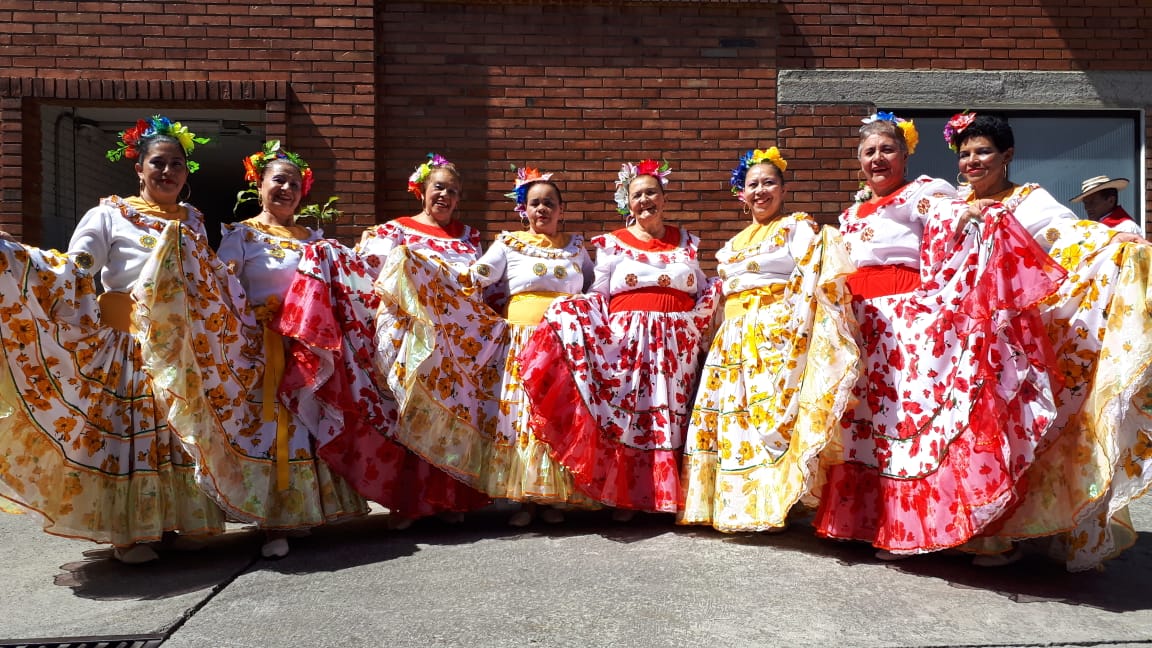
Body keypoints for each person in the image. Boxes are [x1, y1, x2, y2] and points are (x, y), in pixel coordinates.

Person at [813, 112, 1067, 564]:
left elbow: (945, 212)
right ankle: (877, 524)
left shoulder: (924, 192)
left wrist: (966, 211)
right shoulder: (849, 214)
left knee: (913, 428)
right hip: (865, 332)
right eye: (869, 152)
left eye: (887, 149)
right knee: (869, 431)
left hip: (911, 330)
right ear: (858, 162)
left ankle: (940, 529)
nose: (878, 158)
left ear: (905, 155)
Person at [0, 115, 234, 564]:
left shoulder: (195, 220)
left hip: (180, 344)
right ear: (139, 169)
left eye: (176, 165)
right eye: (158, 164)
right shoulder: (109, 214)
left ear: (186, 174)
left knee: (176, 433)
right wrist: (20, 257)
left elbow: (204, 279)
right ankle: (131, 534)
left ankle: (177, 521)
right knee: (133, 436)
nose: (167, 173)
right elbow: (77, 269)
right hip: (130, 342)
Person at [947, 111, 1152, 570]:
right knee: (973, 439)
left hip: (1015, 343)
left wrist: (1120, 247)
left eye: (983, 152)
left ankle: (1028, 533)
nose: (972, 161)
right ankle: (986, 533)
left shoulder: (1031, 202)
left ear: (1008, 156)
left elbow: (1072, 240)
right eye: (965, 154)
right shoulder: (955, 203)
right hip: (964, 340)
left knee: (1021, 436)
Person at [159, 141, 369, 559]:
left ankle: (304, 513)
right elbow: (221, 283)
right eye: (278, 180)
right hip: (258, 348)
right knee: (269, 432)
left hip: (306, 347)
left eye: (294, 182)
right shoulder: (241, 235)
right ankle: (273, 521)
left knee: (305, 428)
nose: (286, 189)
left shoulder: (315, 239)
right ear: (259, 186)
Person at [275, 153, 490, 528]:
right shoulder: (395, 231)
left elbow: (483, 286)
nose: (445, 196)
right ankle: (408, 502)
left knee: (450, 420)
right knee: (409, 417)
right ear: (421, 190)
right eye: (438, 187)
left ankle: (451, 496)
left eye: (453, 192)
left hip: (456, 346)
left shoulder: (470, 237)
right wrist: (329, 255)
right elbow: (367, 273)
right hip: (411, 340)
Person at [518, 160, 721, 518]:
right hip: (629, 342)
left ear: (664, 198)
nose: (645, 200)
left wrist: (711, 305)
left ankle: (663, 498)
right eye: (637, 195)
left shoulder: (686, 242)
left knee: (671, 418)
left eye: (651, 193)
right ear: (628, 203)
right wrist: (573, 311)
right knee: (634, 418)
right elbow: (598, 292)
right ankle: (629, 497)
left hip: (677, 345)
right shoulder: (612, 244)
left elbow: (703, 287)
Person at [677, 147, 859, 533]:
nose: (761, 191)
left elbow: (813, 274)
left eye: (769, 183)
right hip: (734, 338)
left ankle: (775, 505)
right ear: (741, 194)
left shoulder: (797, 228)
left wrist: (788, 321)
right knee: (736, 423)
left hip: (776, 337)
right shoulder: (733, 244)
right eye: (753, 185)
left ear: (783, 188)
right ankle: (737, 508)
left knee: (771, 420)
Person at [1071, 175, 1144, 236]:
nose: (1087, 207)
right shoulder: (1087, 229)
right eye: (1085, 203)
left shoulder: (1126, 228)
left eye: (1092, 201)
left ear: (1111, 201)